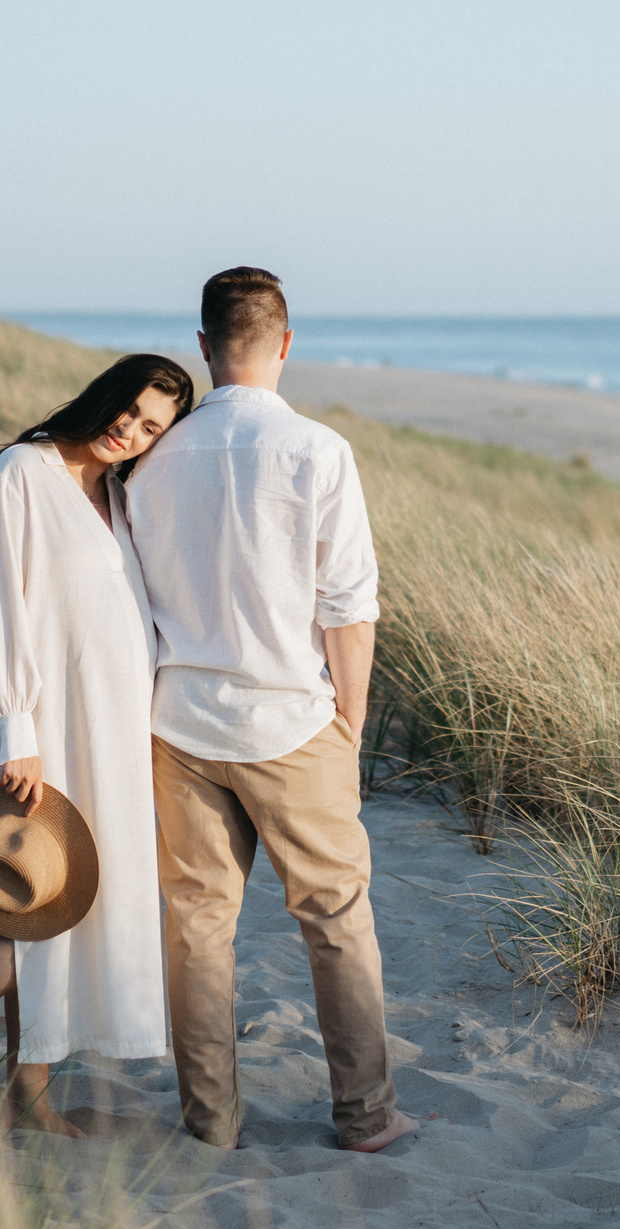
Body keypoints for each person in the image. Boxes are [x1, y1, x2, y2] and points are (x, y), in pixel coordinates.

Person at [127, 267, 427, 1153]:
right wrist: (352, 725)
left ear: (205, 347)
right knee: (335, 919)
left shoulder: (153, 454)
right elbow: (349, 607)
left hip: (178, 720)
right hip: (293, 721)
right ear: (285, 345)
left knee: (197, 925)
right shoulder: (318, 450)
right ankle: (366, 1117)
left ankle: (210, 1119)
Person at [0, 351, 197, 1135]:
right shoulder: (23, 472)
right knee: (26, 918)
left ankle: (28, 1095)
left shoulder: (115, 498)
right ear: (103, 395)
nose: (132, 429)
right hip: (43, 733)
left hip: (109, 740)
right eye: (130, 408)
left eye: (153, 426)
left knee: (65, 914)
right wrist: (16, 730)